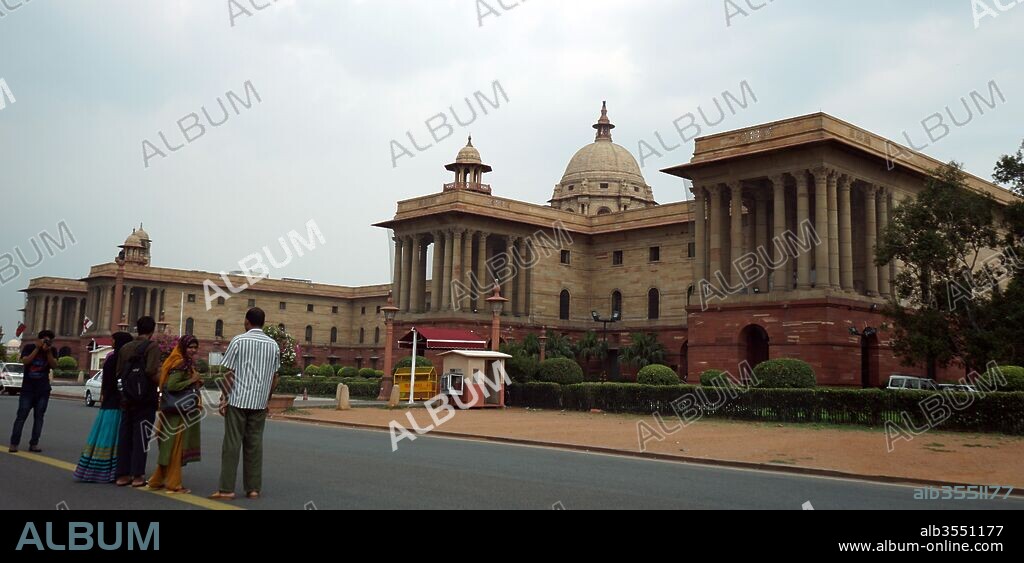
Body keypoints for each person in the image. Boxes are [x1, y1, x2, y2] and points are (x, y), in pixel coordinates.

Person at [210, 308, 280, 501]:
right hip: (259, 402)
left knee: (232, 444)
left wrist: (224, 397)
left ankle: (226, 489)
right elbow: (275, 377)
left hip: (238, 400)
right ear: (263, 323)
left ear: (247, 322)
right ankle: (253, 489)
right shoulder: (273, 345)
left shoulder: (239, 341)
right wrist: (267, 399)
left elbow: (229, 374)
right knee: (255, 445)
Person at [73, 332, 134, 482]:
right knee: (117, 437)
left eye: (113, 340)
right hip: (120, 403)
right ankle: (115, 469)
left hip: (110, 403)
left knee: (105, 435)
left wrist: (103, 394)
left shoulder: (112, 359)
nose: (111, 342)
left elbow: (106, 383)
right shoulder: (126, 360)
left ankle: (98, 469)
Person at [148, 335, 203, 494]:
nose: (193, 350)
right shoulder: (181, 363)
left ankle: (158, 480)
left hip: (171, 411)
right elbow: (172, 386)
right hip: (179, 413)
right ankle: (174, 483)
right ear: (183, 348)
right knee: (176, 448)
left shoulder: (177, 360)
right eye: (190, 347)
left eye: (195, 347)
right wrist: (192, 380)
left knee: (168, 446)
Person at [115, 316, 162, 488]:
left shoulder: (126, 347)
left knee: (125, 435)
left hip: (127, 397)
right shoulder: (152, 346)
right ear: (152, 330)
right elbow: (151, 371)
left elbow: (119, 372)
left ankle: (122, 475)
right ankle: (137, 476)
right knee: (141, 437)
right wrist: (163, 383)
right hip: (145, 398)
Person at [8, 330, 58, 453]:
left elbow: (54, 365)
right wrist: (36, 349)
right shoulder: (29, 347)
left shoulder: (52, 350)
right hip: (28, 389)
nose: (46, 342)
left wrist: (48, 352)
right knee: (21, 417)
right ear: (39, 339)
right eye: (44, 339)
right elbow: (25, 361)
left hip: (43, 390)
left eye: (49, 340)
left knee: (39, 418)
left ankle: (34, 444)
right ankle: (14, 443)